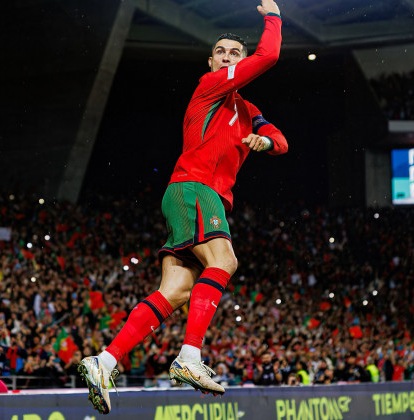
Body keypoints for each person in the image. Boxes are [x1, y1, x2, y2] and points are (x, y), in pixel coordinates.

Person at [78, 0, 286, 414]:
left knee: (174, 292)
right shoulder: (209, 87)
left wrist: (265, 142)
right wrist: (274, 16)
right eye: (221, 53)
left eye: (234, 53)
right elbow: (272, 54)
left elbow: (281, 140)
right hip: (195, 189)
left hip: (190, 197)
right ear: (212, 63)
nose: (228, 57)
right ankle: (189, 357)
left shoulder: (248, 111)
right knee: (224, 261)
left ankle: (104, 362)